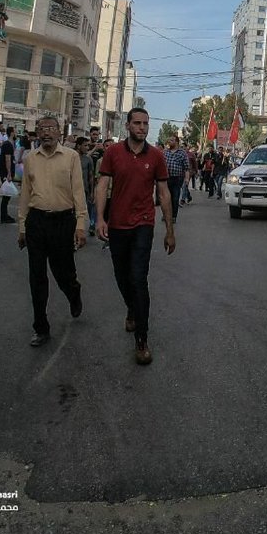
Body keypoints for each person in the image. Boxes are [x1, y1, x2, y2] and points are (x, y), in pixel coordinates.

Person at [95, 108, 176, 367]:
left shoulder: (156, 156)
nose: (142, 127)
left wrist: (170, 231)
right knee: (121, 276)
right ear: (128, 126)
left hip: (144, 224)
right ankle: (132, 308)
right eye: (137, 123)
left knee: (139, 279)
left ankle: (142, 340)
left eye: (145, 124)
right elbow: (103, 186)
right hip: (118, 225)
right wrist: (100, 218)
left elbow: (163, 194)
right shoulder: (113, 153)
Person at [17, 116, 87, 348]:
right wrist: (22, 226)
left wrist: (80, 225)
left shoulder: (71, 157)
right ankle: (40, 327)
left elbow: (79, 192)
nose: (46, 133)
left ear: (59, 132)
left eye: (51, 129)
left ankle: (73, 291)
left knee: (63, 273)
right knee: (36, 277)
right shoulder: (30, 159)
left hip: (62, 223)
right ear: (37, 132)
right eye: (42, 129)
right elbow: (25, 194)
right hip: (36, 222)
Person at [163, 137, 189, 224]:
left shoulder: (182, 153)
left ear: (176, 142)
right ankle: (166, 215)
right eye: (169, 140)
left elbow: (186, 167)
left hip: (177, 179)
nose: (169, 142)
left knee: (175, 198)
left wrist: (187, 178)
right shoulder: (166, 152)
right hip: (166, 178)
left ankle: (173, 216)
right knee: (166, 198)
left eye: (171, 140)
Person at [76, 137, 97, 237]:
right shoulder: (72, 157)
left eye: (88, 145)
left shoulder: (88, 159)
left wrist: (92, 191)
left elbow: (91, 176)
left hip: (85, 190)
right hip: (72, 190)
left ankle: (92, 226)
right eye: (85, 145)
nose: (87, 147)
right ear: (78, 146)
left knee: (90, 209)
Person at [0, 133, 16, 223]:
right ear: (12, 133)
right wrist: (8, 173)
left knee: (7, 195)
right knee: (6, 195)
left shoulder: (7, 144)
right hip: (6, 172)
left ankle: (5, 215)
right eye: (15, 131)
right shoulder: (8, 144)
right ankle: (4, 216)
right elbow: (7, 158)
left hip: (5, 171)